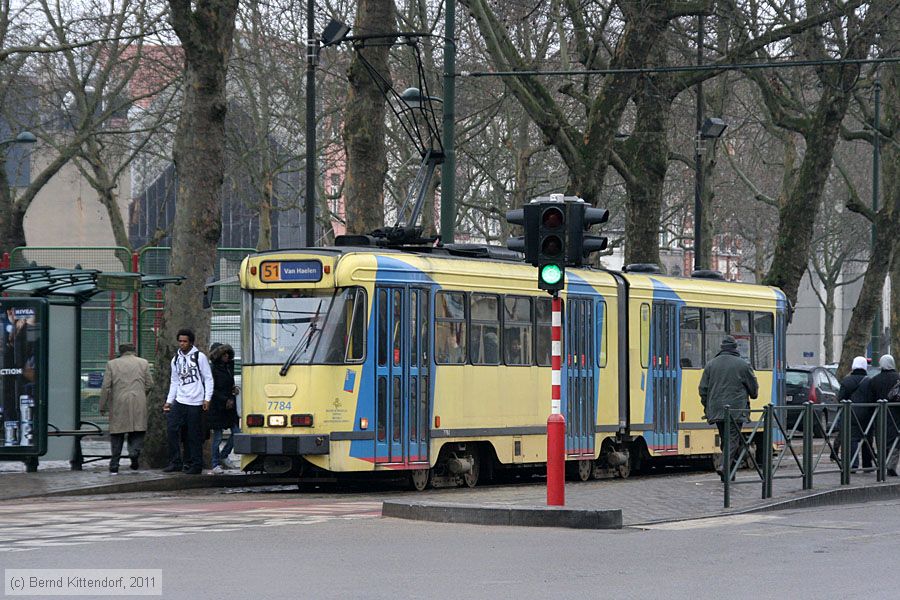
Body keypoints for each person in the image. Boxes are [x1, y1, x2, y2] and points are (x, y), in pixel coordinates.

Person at [699, 335, 759, 480]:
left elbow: (703, 389)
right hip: (735, 409)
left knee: (725, 439)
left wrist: (708, 406)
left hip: (717, 409)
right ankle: (724, 467)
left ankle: (728, 475)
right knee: (732, 439)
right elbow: (754, 391)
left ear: (722, 348)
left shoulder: (711, 364)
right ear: (735, 348)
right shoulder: (743, 365)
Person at [163, 328, 213, 475]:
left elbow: (208, 378)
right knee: (172, 429)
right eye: (180, 341)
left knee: (194, 434)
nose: (182, 344)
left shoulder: (199, 357)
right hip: (180, 399)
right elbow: (174, 381)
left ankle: (196, 464)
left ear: (190, 342)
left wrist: (207, 398)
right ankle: (175, 461)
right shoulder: (176, 359)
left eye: (185, 341)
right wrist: (169, 401)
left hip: (196, 401)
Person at [99, 344, 153, 473]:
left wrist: (102, 405)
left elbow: (106, 386)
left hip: (119, 402)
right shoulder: (143, 363)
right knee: (138, 430)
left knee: (117, 433)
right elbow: (150, 384)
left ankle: (114, 464)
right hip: (138, 401)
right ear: (134, 351)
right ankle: (134, 453)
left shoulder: (112, 364)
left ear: (120, 352)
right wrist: (141, 393)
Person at [207, 343, 240, 474]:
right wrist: (225, 399)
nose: (226, 356)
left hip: (229, 406)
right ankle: (215, 463)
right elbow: (212, 389)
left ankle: (223, 456)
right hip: (217, 406)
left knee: (237, 432)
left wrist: (233, 391)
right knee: (218, 436)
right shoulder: (213, 369)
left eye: (227, 354)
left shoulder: (229, 367)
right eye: (223, 354)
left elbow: (229, 384)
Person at [839, 356, 874, 471]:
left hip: (851, 414)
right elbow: (872, 398)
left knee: (852, 439)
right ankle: (867, 464)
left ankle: (852, 464)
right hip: (867, 414)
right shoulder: (869, 381)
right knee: (867, 439)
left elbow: (841, 398)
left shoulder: (846, 380)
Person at [867, 354, 900, 476]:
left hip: (880, 414)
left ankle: (881, 464)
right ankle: (891, 464)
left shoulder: (874, 380)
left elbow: (870, 399)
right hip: (896, 414)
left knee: (881, 438)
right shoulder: (898, 378)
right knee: (896, 439)